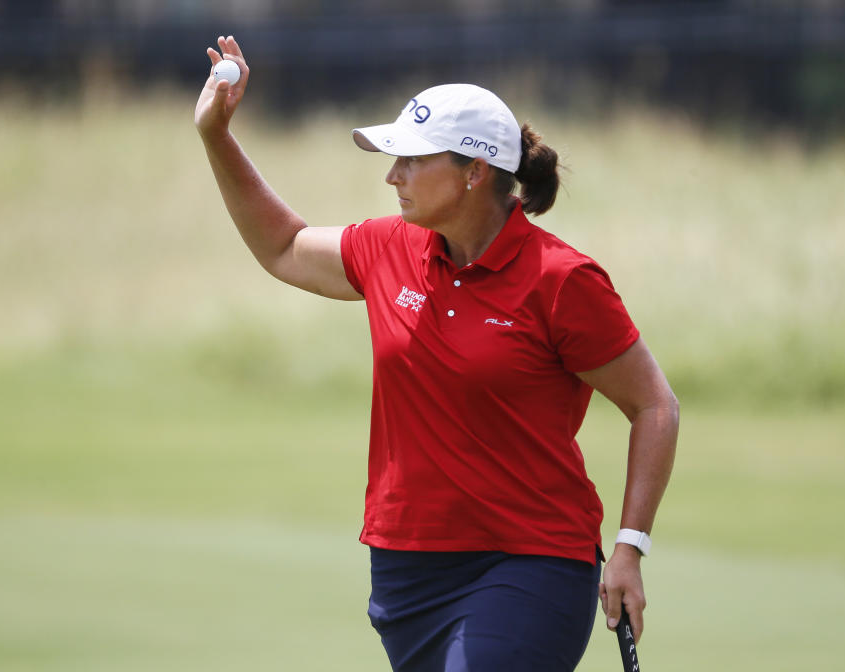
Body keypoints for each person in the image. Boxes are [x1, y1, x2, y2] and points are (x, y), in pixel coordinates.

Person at [195, 35, 679, 672]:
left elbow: (654, 406)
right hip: (408, 571)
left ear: (474, 172)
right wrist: (217, 138)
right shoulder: (389, 248)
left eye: (411, 160)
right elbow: (284, 248)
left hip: (529, 561)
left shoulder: (561, 280)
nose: (391, 175)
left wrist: (629, 546)